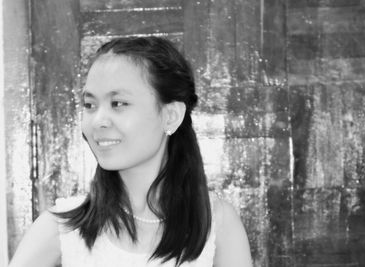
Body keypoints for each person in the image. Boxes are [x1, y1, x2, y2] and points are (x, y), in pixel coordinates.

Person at [9, 36, 253, 267]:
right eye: (90, 105)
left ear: (171, 116)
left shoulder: (218, 224)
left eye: (118, 104)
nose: (98, 121)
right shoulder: (60, 227)